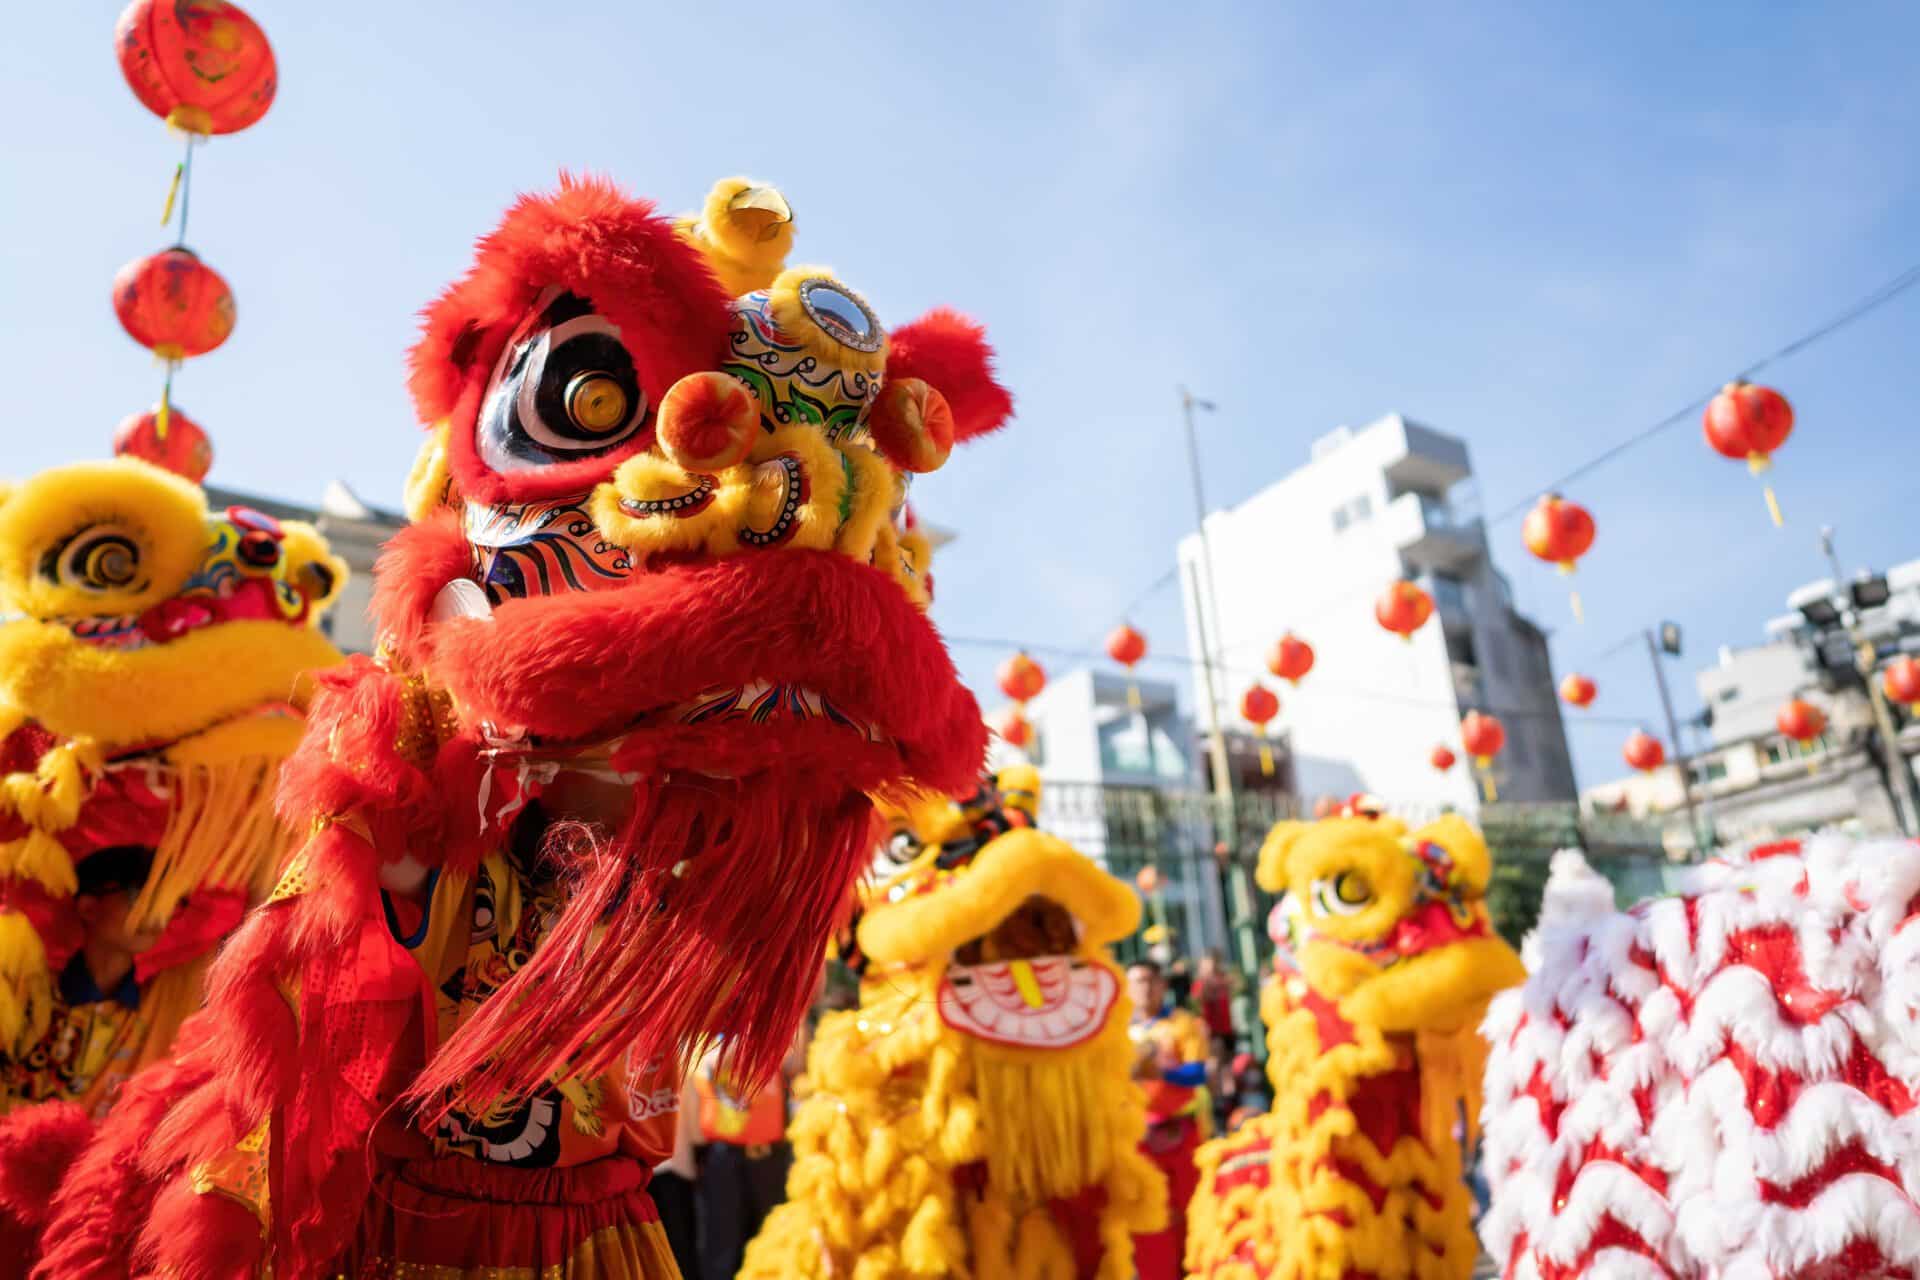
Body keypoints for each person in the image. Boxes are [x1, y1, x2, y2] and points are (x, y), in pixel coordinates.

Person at [2, 845, 165, 1119]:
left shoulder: (165, 998)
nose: (156, 912)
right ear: (89, 907)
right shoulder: (20, 991)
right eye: (140, 894)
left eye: (167, 900)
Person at [694, 1018, 808, 1278]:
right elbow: (709, 1069)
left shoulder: (776, 1037)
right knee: (723, 1249)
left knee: (772, 1240)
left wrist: (797, 1017)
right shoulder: (709, 1035)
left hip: (770, 1156)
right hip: (726, 1157)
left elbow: (797, 1066)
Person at [1127, 959, 1211, 1280]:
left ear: (1162, 986)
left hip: (1180, 1133)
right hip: (1137, 1138)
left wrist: (1158, 1071)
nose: (1144, 989)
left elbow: (1196, 1073)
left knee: (1192, 1211)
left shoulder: (1183, 1024)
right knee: (1148, 1221)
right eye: (1137, 982)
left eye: (1150, 981)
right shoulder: (1120, 1032)